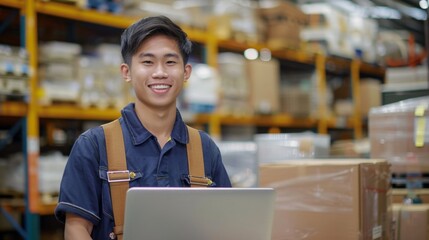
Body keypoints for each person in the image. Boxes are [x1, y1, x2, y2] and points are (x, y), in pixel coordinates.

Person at [54, 15, 232, 239]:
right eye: (147, 62)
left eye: (170, 62)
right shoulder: (94, 145)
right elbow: (76, 229)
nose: (160, 72)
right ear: (126, 72)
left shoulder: (205, 149)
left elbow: (224, 226)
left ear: (186, 72)